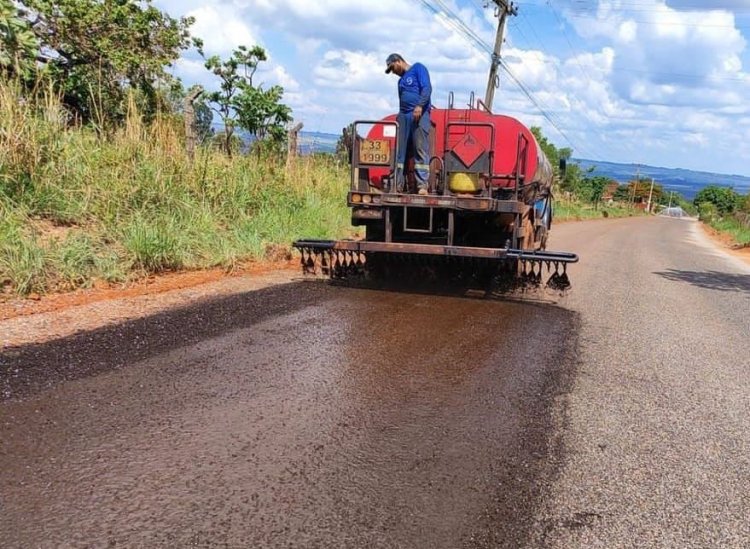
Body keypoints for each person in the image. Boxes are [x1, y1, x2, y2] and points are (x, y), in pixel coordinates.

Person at [385, 53, 432, 195]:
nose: (393, 72)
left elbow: (427, 88)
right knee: (400, 153)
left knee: (420, 149)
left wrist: (419, 106)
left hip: (419, 114)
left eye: (393, 68)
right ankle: (397, 185)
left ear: (398, 61)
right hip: (404, 116)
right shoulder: (400, 82)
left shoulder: (418, 68)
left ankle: (422, 186)